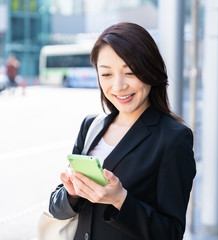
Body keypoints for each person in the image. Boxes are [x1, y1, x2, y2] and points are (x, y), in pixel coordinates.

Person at [49, 22, 196, 240]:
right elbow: (56, 208)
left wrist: (120, 199)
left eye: (130, 72)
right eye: (106, 74)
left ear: (150, 71)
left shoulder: (173, 138)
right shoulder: (91, 126)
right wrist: (71, 194)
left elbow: (171, 233)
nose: (118, 86)